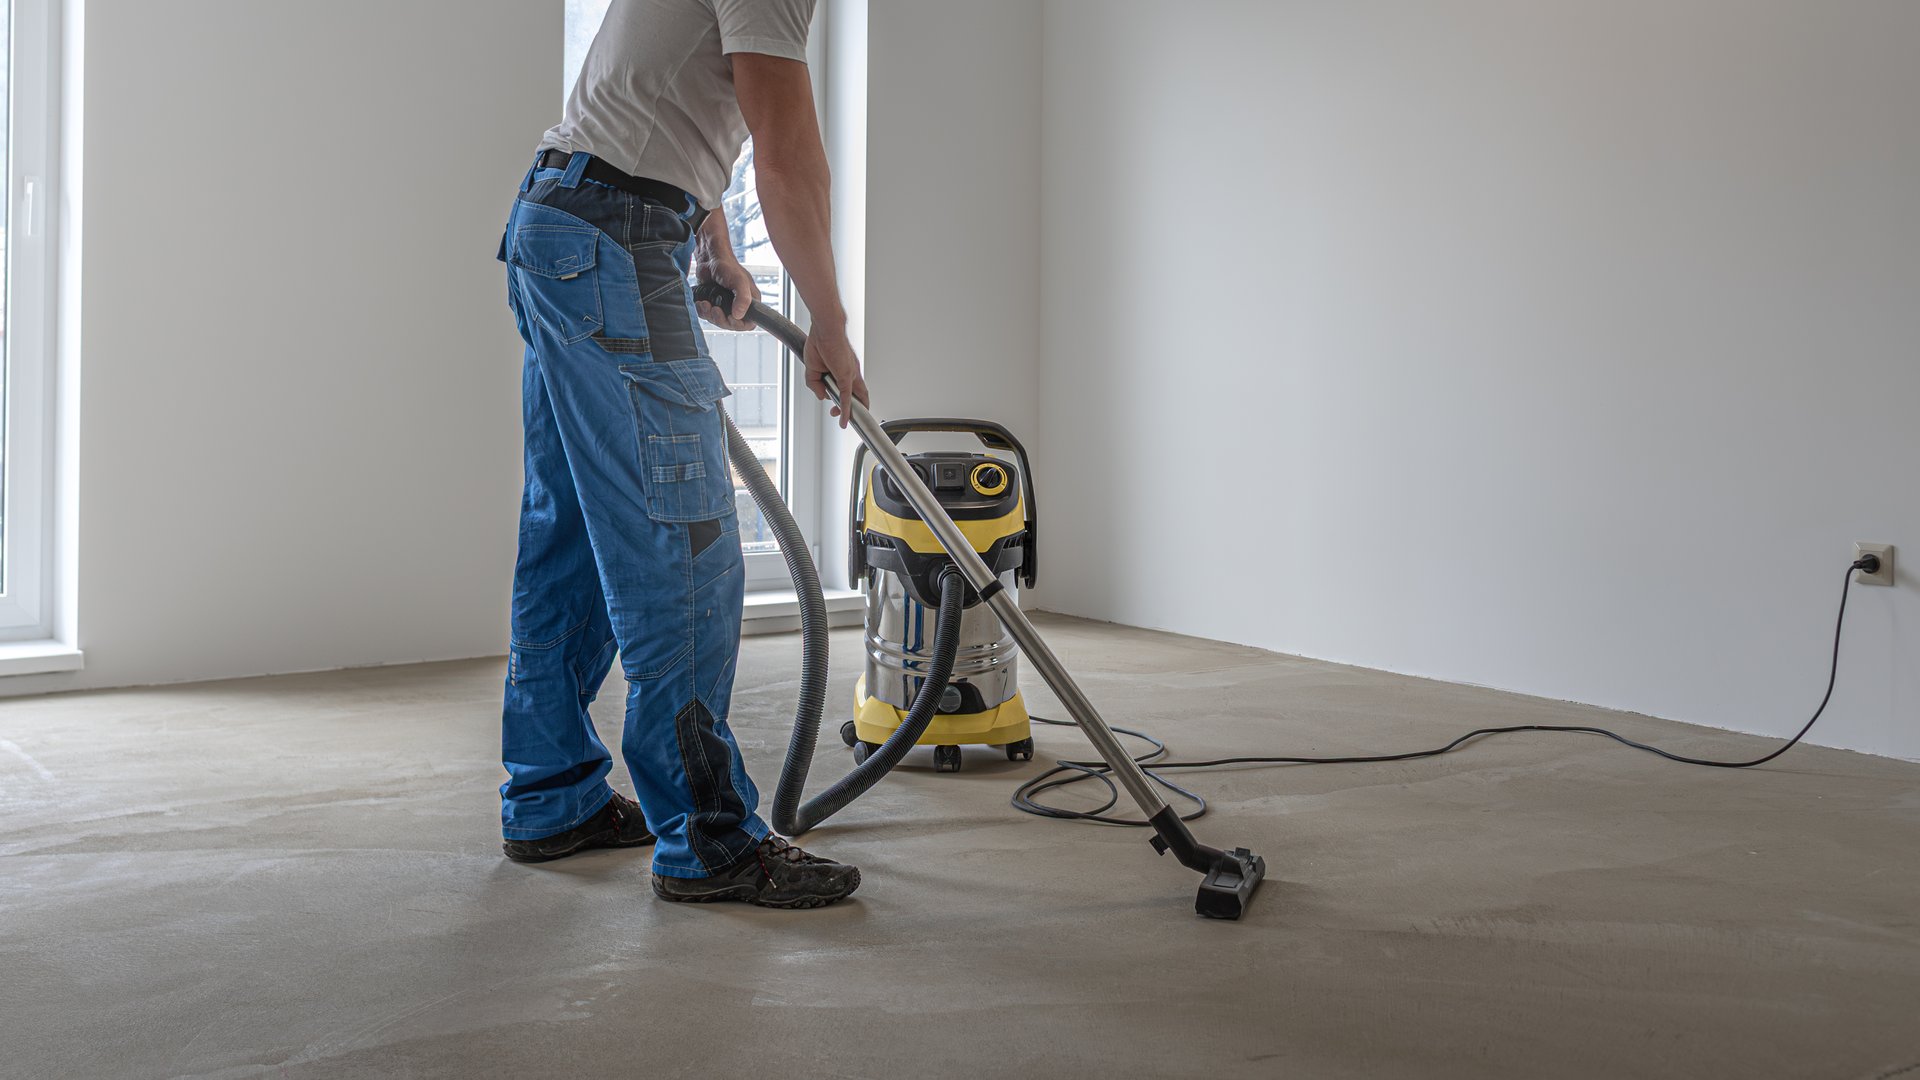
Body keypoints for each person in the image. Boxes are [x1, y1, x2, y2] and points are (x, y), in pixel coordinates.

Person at [494, 0, 868, 909]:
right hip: (611, 237)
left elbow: (665, 96)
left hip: (563, 223)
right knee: (688, 540)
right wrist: (830, 321)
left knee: (575, 532)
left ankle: (551, 796)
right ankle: (710, 839)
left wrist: (712, 240)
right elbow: (786, 154)